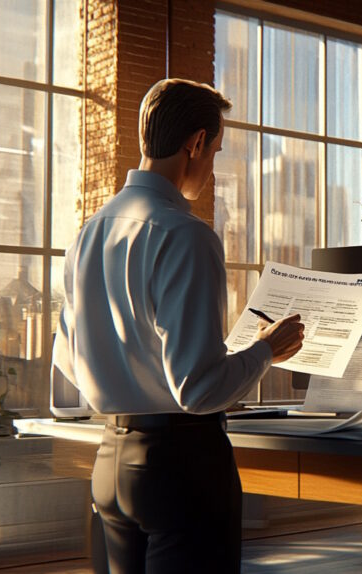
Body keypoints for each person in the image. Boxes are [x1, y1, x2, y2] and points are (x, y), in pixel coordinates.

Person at [51, 78, 304, 573]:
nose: (212, 167)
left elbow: (68, 359)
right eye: (215, 151)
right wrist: (266, 351)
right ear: (194, 144)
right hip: (182, 467)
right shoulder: (187, 235)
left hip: (113, 464)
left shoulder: (87, 234)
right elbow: (198, 389)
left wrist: (132, 373)